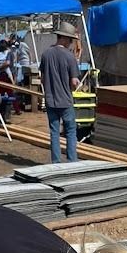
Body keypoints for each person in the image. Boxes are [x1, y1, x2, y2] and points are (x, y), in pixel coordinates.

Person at [39, 22, 81, 163]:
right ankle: (72, 161)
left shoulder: (46, 54)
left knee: (54, 132)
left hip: (51, 100)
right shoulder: (70, 57)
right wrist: (75, 86)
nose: (71, 43)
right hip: (66, 101)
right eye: (70, 40)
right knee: (70, 131)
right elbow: (74, 82)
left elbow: (43, 79)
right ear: (64, 38)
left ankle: (56, 162)